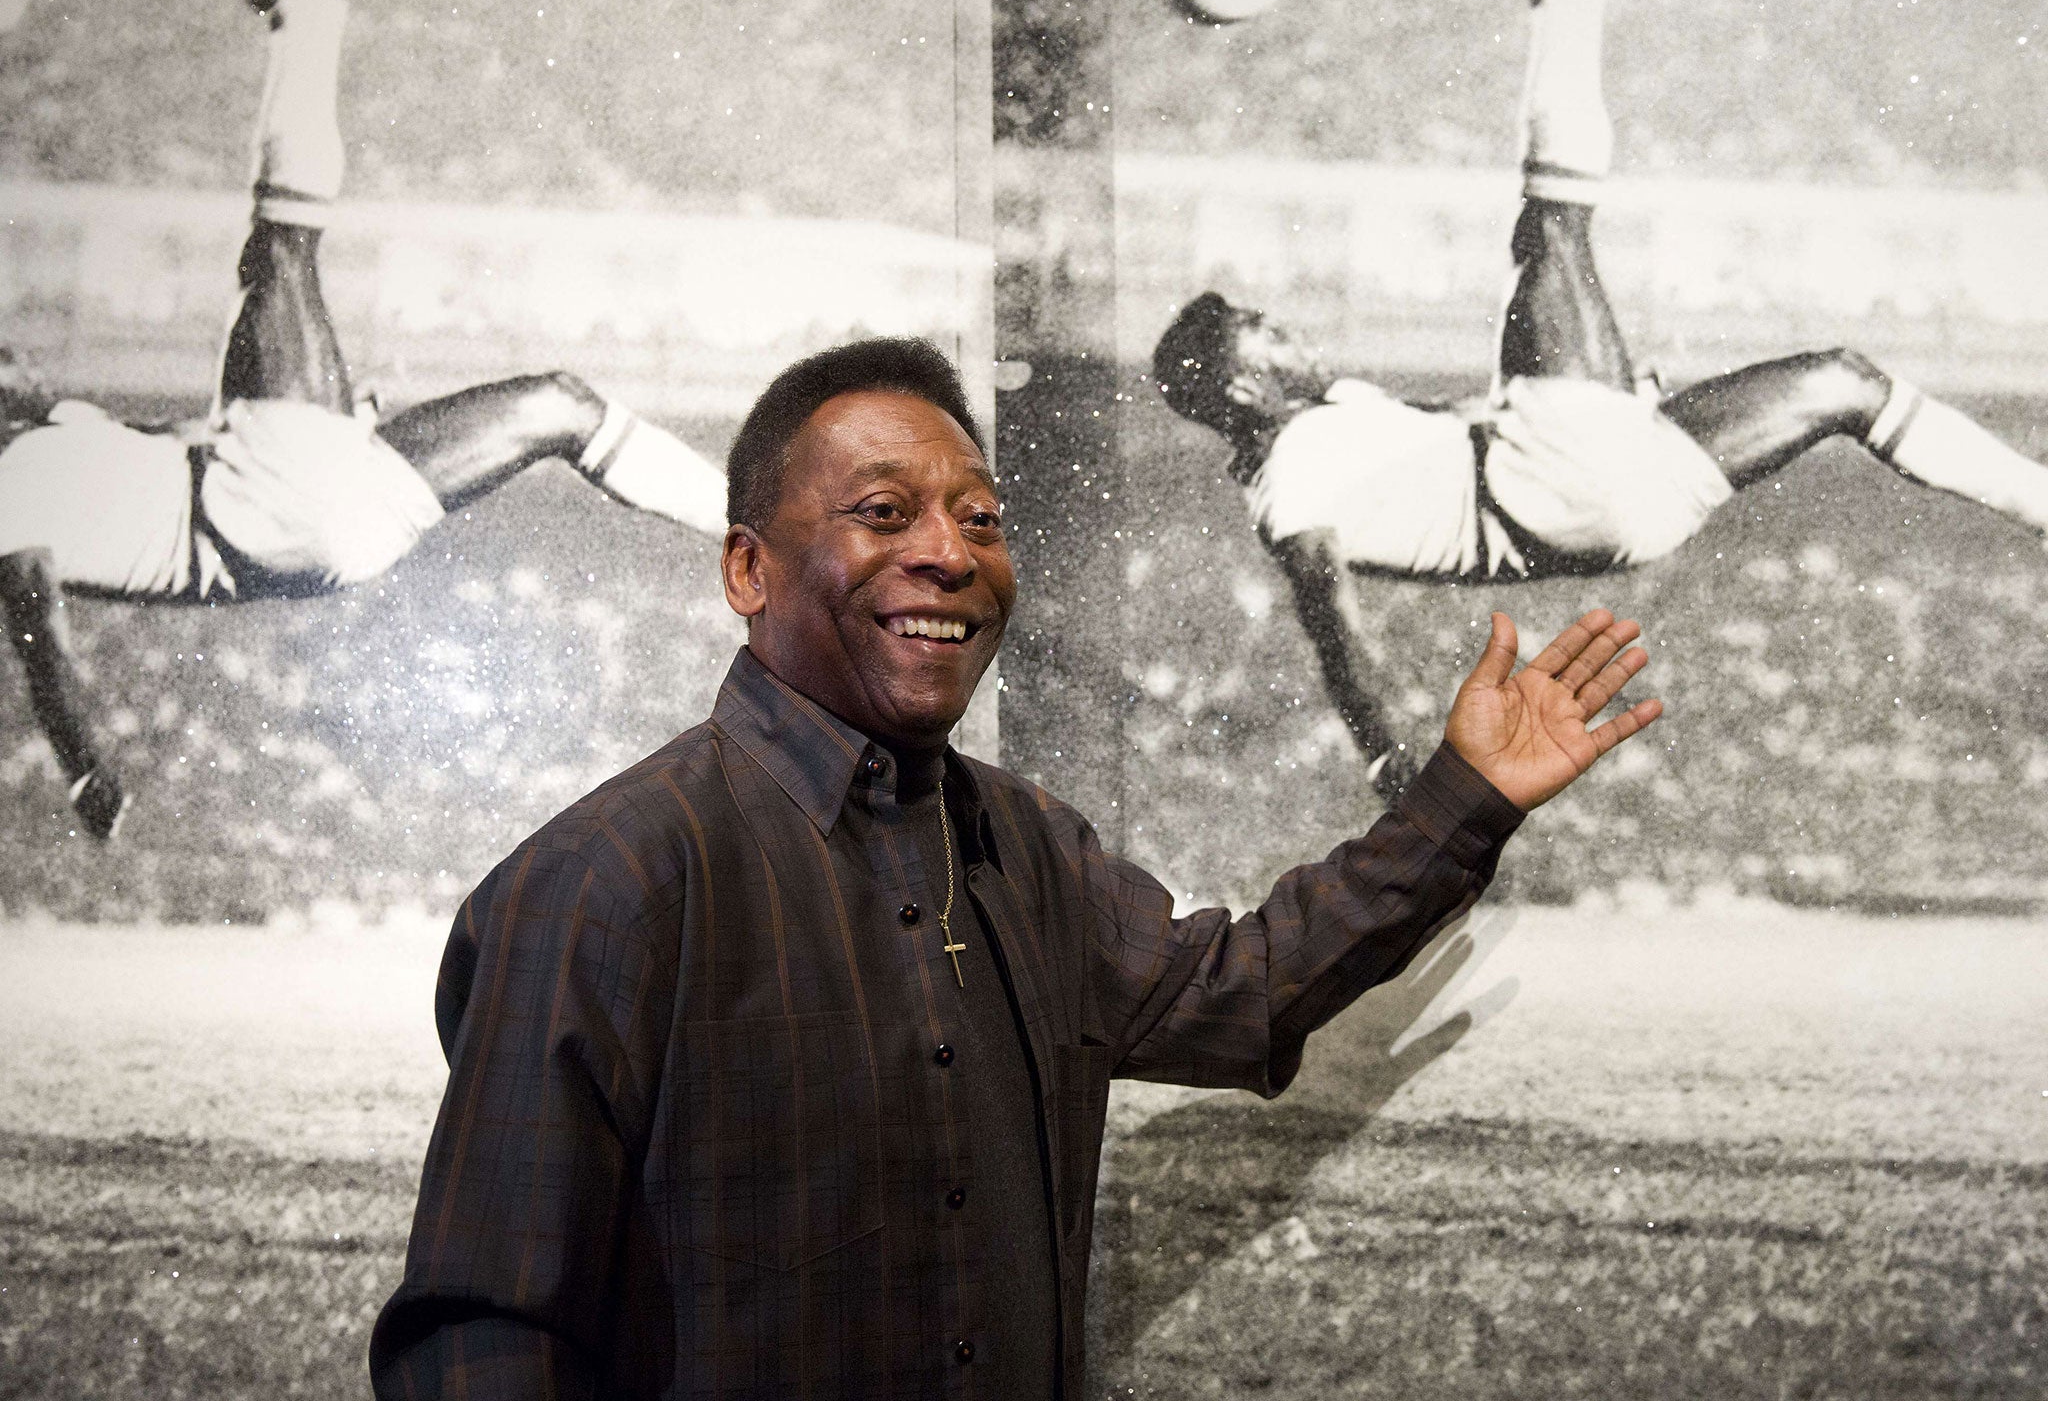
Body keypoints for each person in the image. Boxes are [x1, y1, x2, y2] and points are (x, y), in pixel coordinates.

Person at [368, 332, 1660, 1398]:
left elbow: (1243, 994)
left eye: (980, 517)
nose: (948, 550)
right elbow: (483, 1337)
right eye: (882, 513)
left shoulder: (1026, 847)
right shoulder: (606, 883)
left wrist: (1462, 802)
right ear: (748, 568)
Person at [1151, 0, 2048, 799]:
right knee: (1551, 228)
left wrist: (1610, 401)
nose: (1293, 334)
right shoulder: (1290, 483)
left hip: (1619, 504)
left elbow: (1435, 449)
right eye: (1268, 331)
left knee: (1845, 382)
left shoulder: (1339, 422)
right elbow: (1330, 621)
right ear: (1242, 382)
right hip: (1548, 484)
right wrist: (1386, 750)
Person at [0, 0, 726, 841]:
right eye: (3, 368)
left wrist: (330, 424)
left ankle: (758, 524)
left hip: (317, 527)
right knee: (279, 245)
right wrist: (81, 764)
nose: (18, 364)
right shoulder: (16, 486)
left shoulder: (65, 440)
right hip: (255, 509)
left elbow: (166, 462)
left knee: (562, 405)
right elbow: (41, 637)